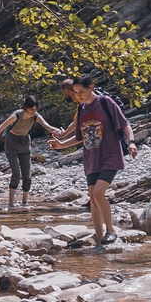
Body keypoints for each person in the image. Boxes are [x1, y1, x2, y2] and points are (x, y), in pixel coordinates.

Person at [50, 76, 135, 247]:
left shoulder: (106, 102)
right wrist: (61, 145)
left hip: (110, 155)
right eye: (76, 93)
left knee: (98, 193)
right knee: (93, 198)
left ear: (91, 87)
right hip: (91, 158)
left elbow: (125, 124)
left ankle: (111, 231)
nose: (79, 96)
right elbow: (79, 137)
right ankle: (99, 237)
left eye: (81, 91)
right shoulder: (81, 109)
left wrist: (132, 142)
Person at [0, 96, 61, 211]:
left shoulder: (36, 117)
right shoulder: (16, 115)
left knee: (27, 176)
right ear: (25, 108)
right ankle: (11, 204)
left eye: (35, 109)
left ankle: (24, 203)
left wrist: (57, 131)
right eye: (31, 109)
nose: (34, 112)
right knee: (16, 174)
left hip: (24, 144)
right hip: (11, 143)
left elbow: (48, 127)